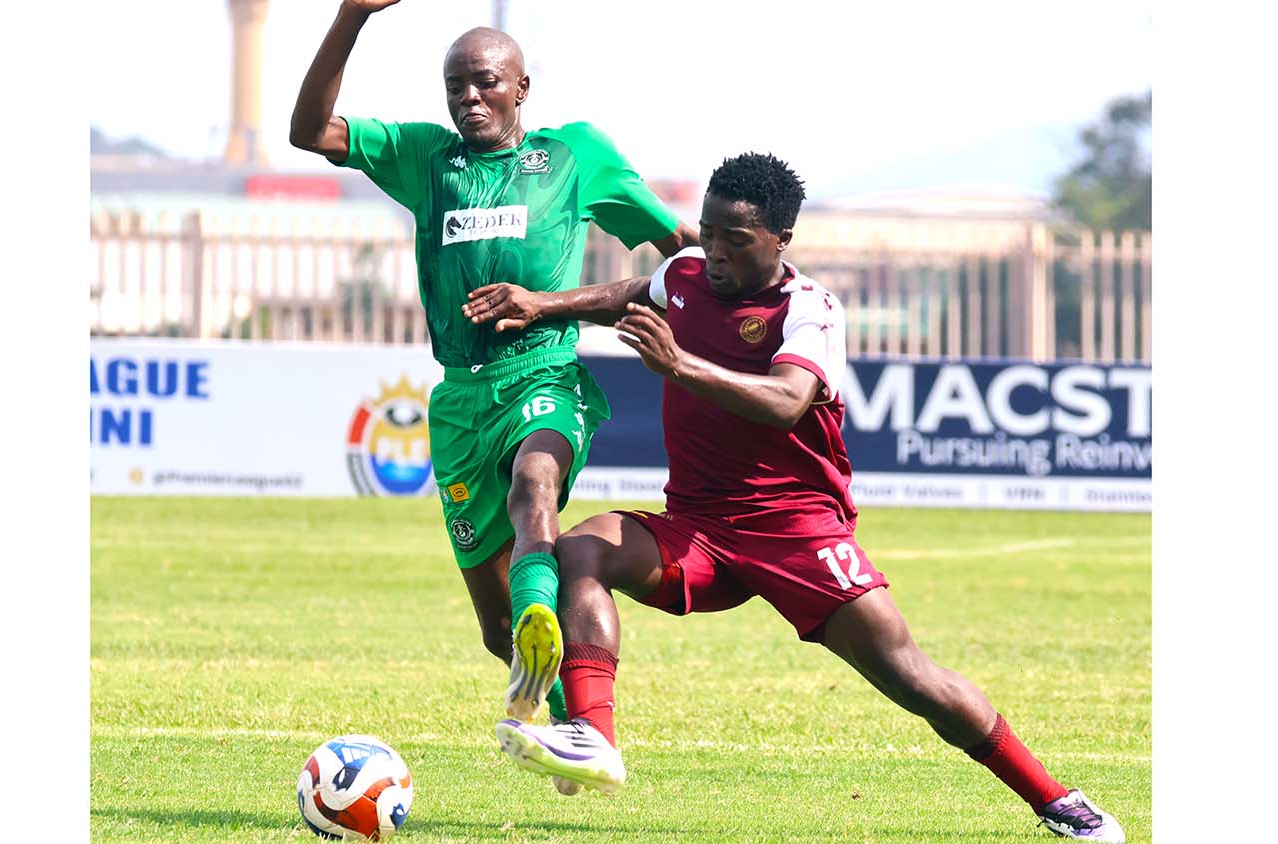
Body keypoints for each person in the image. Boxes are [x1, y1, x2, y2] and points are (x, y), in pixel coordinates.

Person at [466, 152, 1125, 841]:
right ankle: (594, 740)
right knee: (581, 550)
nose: (713, 251)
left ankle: (1057, 800)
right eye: (708, 231)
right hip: (696, 528)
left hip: (799, 534)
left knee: (911, 677)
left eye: (735, 240)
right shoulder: (687, 274)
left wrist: (677, 364)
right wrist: (544, 303)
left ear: (782, 239)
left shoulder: (807, 309)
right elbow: (639, 291)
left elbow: (786, 401)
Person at [289, 0, 698, 744]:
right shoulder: (427, 159)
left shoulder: (574, 156)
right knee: (497, 628)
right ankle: (567, 712)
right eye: (455, 88)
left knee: (533, 485)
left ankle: (560, 655)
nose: (468, 99)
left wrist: (748, 297)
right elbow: (309, 132)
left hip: (544, 371)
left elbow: (681, 248)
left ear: (522, 88)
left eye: (483, 83)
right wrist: (352, 16)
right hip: (459, 399)